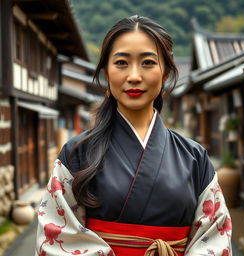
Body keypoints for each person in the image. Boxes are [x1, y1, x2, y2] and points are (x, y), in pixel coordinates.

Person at [35, 15, 232, 256]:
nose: (134, 76)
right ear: (106, 72)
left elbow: (214, 238)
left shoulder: (194, 157)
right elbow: (57, 236)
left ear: (166, 72)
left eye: (148, 62)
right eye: (121, 63)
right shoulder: (76, 153)